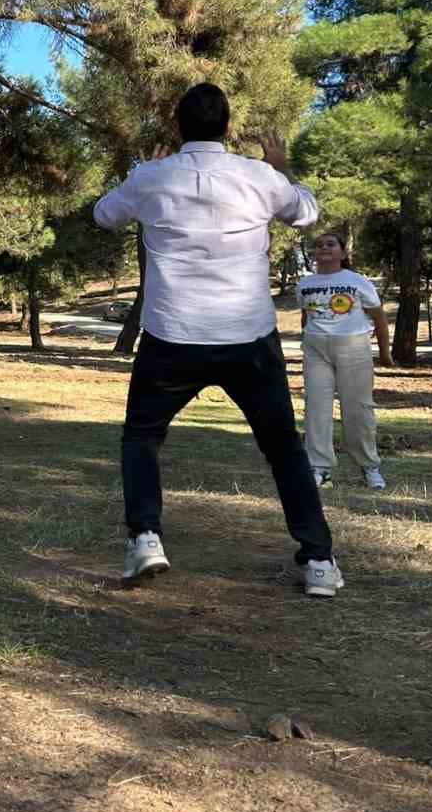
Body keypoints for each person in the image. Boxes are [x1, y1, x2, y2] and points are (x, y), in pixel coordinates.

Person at [93, 84, 342, 598]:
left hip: (172, 333)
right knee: (283, 449)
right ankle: (318, 561)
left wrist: (139, 175)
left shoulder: (152, 177)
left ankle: (145, 536)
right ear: (229, 128)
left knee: (142, 437)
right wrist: (282, 168)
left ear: (177, 129)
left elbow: (103, 214)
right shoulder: (259, 176)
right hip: (247, 335)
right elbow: (308, 214)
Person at [296, 232, 391, 490]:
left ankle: (370, 467)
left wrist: (384, 352)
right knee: (316, 409)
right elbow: (307, 317)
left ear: (343, 253)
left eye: (330, 244)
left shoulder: (357, 281)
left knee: (358, 410)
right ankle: (320, 469)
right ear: (313, 254)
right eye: (319, 245)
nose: (324, 248)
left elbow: (379, 318)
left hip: (353, 349)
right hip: (316, 351)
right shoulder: (305, 284)